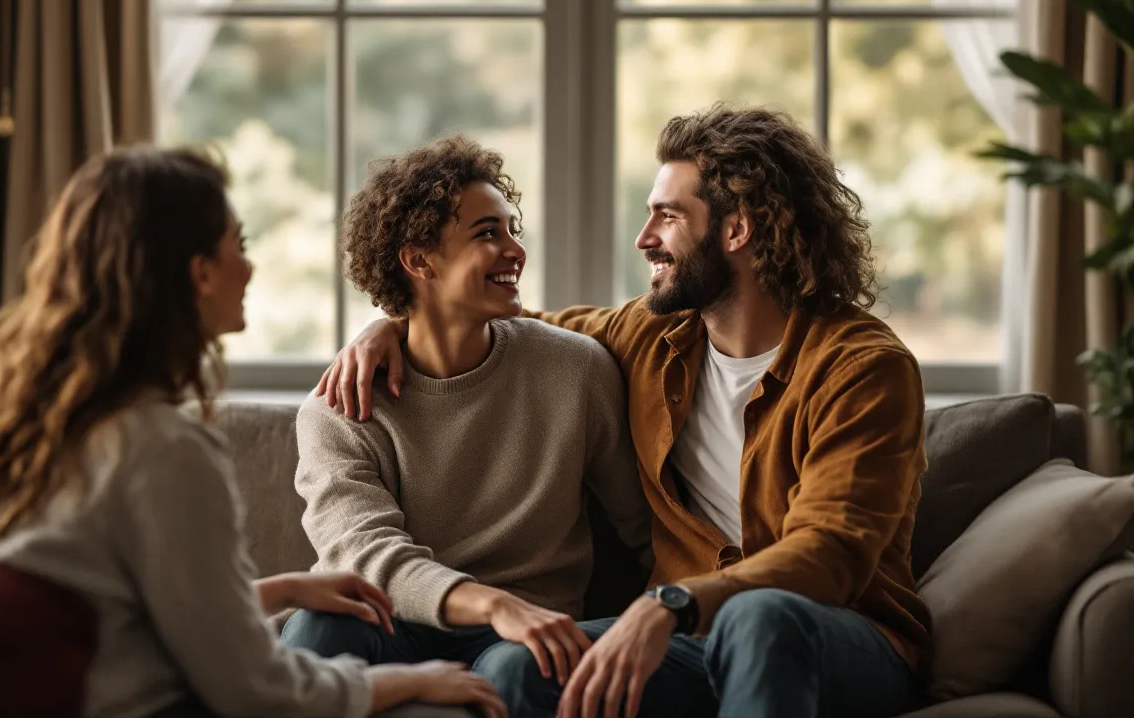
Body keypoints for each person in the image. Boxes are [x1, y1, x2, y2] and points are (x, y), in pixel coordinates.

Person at [316, 105, 932, 718]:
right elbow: (492, 322)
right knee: (519, 665)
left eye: (667, 217)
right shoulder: (653, 337)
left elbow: (830, 554)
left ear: (737, 229)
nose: (644, 240)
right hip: (690, 643)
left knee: (760, 615)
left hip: (837, 638)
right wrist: (391, 325)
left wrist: (674, 603)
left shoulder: (862, 369)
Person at [0, 146, 507, 718]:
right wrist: (408, 683)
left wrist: (281, 590)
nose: (251, 268)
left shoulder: (18, 422)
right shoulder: (163, 449)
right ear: (199, 273)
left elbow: (92, 606)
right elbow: (255, 692)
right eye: (240, 243)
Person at [282, 135, 653, 694]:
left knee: (519, 671)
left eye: (512, 231)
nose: (515, 250)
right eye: (487, 233)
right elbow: (365, 556)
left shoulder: (576, 370)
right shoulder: (339, 408)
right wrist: (493, 604)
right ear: (417, 260)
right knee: (318, 628)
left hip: (526, 634)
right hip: (394, 624)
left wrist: (684, 617)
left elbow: (645, 526)